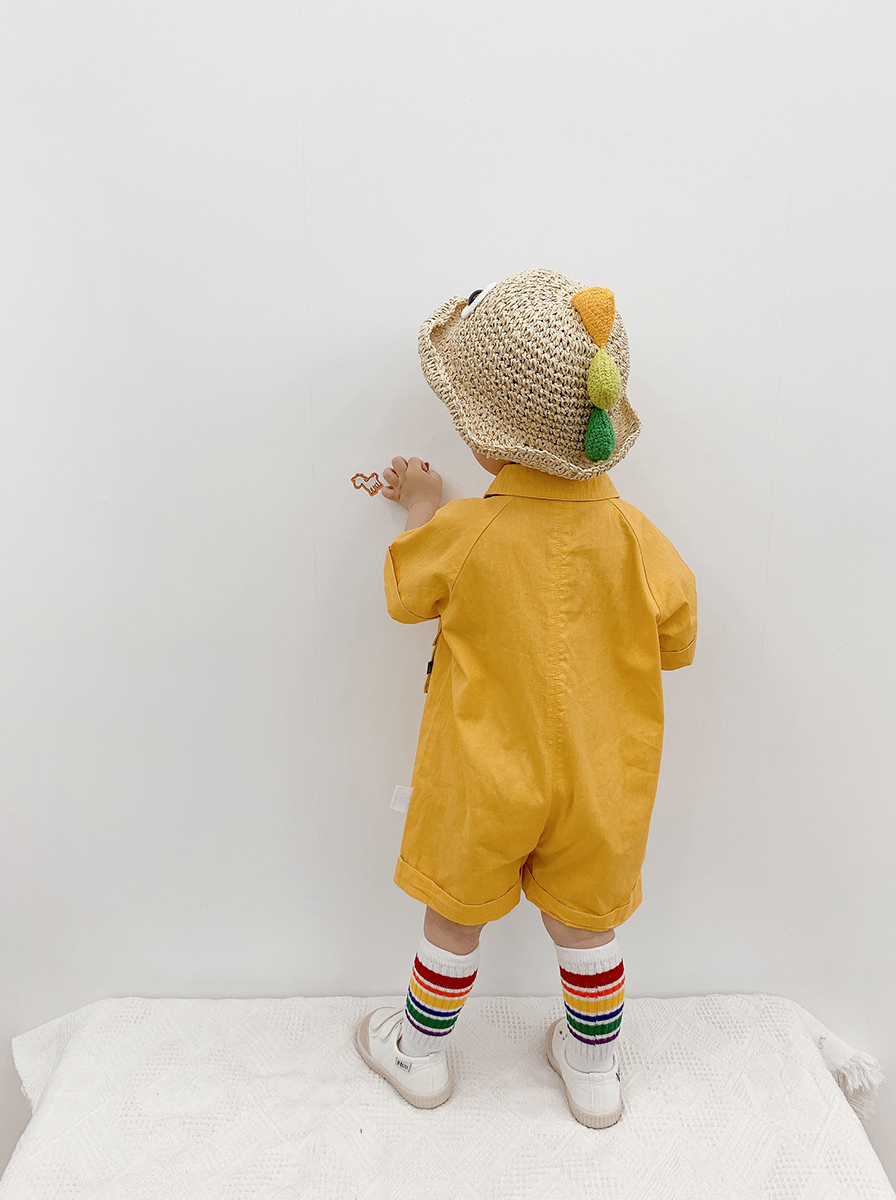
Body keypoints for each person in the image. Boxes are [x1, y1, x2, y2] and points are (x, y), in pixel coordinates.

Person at [355, 269, 697, 1128]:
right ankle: (594, 1068)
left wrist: (423, 505)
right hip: (601, 778)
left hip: (481, 773)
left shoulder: (468, 533)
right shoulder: (638, 539)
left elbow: (404, 591)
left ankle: (420, 1055)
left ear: (489, 436)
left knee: (453, 918)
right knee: (587, 928)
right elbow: (678, 637)